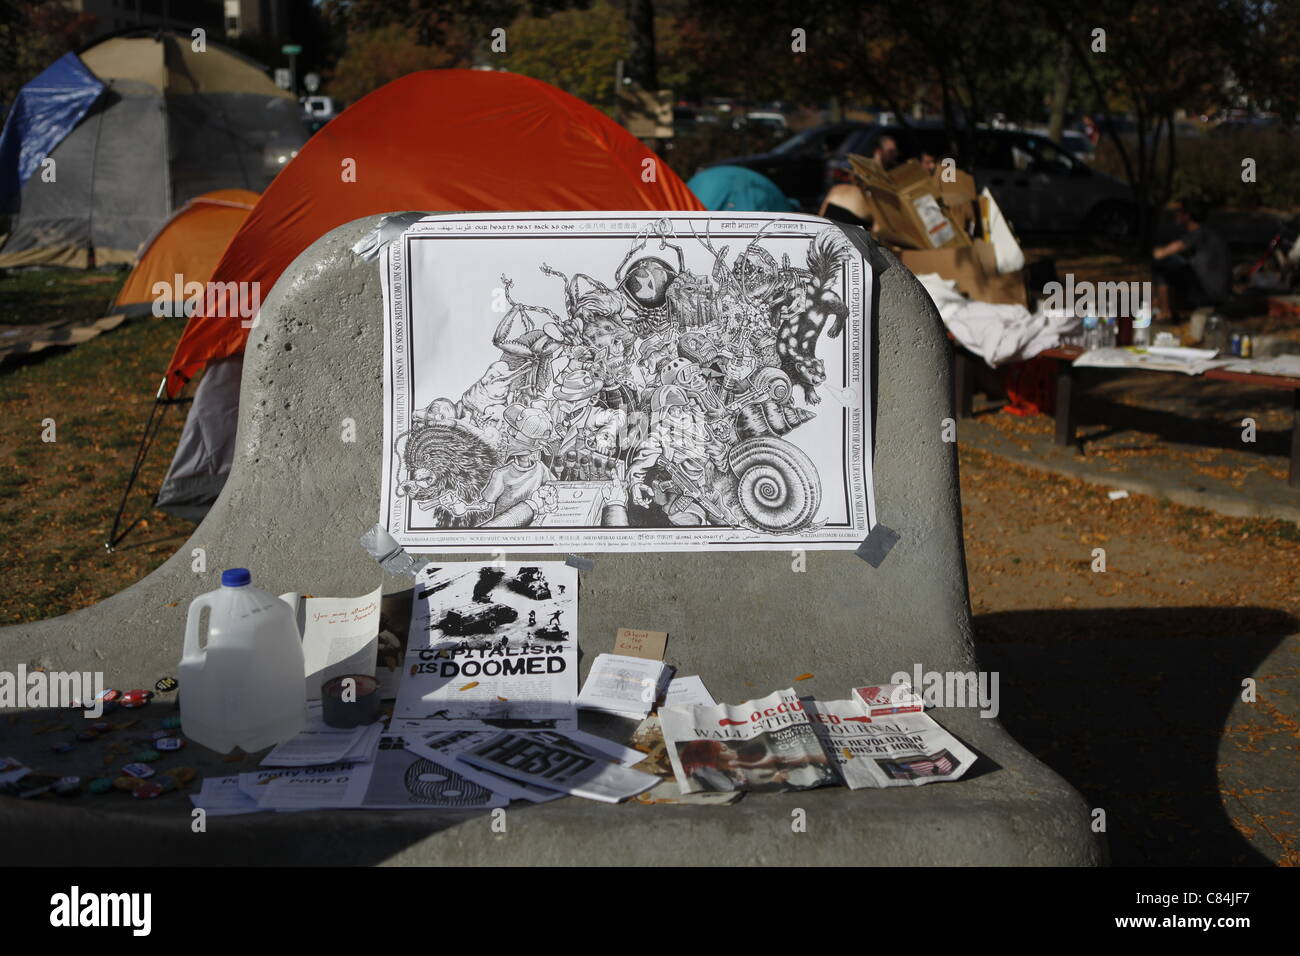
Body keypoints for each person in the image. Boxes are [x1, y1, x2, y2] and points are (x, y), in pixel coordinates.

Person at [1152, 197, 1232, 321]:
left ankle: (1165, 313)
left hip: (1209, 293)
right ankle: (1166, 306)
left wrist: (1155, 247)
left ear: (1187, 216)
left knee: (1162, 267)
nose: (1176, 214)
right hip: (1220, 291)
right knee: (1176, 266)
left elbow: (1161, 254)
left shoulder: (1197, 234)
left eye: (1179, 211)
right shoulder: (1209, 234)